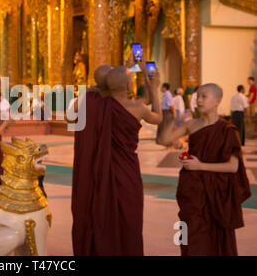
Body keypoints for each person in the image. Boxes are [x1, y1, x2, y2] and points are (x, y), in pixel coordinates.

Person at [71, 60, 162, 256]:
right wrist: (154, 88)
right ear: (129, 85)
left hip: (97, 171)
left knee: (101, 212)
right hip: (126, 172)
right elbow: (158, 118)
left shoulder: (93, 103)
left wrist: (91, 90)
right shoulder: (137, 107)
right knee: (129, 216)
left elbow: (71, 115)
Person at [159, 83, 251, 256]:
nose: (199, 100)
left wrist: (199, 165)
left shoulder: (228, 130)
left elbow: (233, 167)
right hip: (192, 192)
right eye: (198, 96)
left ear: (217, 100)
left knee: (215, 239)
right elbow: (164, 139)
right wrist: (177, 120)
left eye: (204, 96)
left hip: (216, 194)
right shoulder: (191, 125)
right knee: (188, 236)